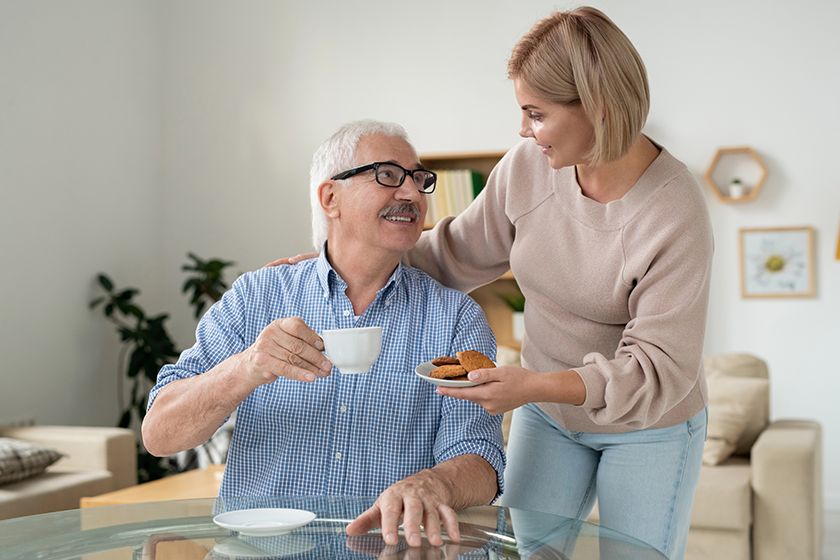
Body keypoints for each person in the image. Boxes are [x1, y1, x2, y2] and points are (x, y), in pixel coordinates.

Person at [273, 8, 713, 560]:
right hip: (550, 417)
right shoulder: (529, 167)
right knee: (520, 553)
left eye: (536, 113)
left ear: (597, 108)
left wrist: (530, 386)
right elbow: (452, 252)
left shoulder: (674, 211)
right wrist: (335, 262)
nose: (524, 130)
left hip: (650, 421)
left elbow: (655, 368)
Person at [142, 119, 505, 549]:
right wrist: (246, 367)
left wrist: (435, 483)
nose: (411, 193)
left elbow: (481, 457)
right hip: (258, 553)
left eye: (419, 179)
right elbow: (159, 435)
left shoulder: (456, 318)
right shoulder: (256, 297)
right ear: (330, 197)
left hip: (388, 551)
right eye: (388, 175)